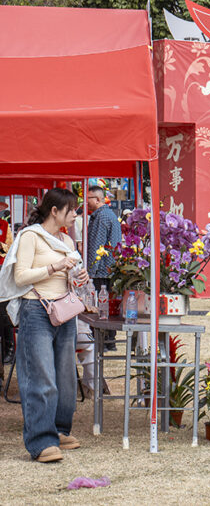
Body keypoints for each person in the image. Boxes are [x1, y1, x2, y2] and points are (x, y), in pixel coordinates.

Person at [0, 188, 90, 462]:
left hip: (63, 310)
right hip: (35, 309)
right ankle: (41, 441)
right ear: (55, 210)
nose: (75, 214)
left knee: (64, 376)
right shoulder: (30, 236)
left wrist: (79, 276)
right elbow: (21, 275)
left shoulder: (67, 240)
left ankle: (60, 430)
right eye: (71, 209)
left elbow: (70, 276)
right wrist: (54, 267)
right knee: (40, 376)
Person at [85, 185, 121, 292]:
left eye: (88, 198)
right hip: (108, 269)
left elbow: (96, 245)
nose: (86, 202)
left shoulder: (101, 217)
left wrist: (90, 272)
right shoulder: (108, 214)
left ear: (97, 199)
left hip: (101, 272)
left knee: (101, 304)